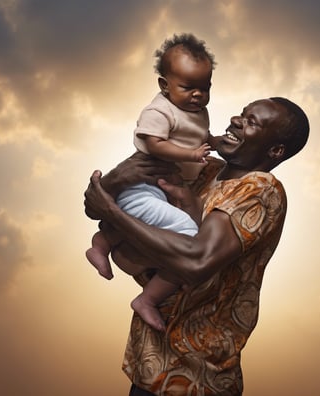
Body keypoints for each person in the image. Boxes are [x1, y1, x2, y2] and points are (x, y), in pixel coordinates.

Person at [84, 96, 310, 395]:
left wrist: (113, 213)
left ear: (275, 150)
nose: (236, 120)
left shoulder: (260, 190)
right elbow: (96, 205)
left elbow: (195, 263)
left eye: (251, 122)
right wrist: (113, 181)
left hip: (199, 376)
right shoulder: (203, 170)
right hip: (151, 365)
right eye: (242, 113)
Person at [85, 33, 221, 332]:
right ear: (164, 85)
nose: (198, 95)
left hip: (157, 188)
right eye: (188, 87)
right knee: (188, 234)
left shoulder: (194, 110)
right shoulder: (159, 110)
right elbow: (155, 144)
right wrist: (190, 154)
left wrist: (213, 141)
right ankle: (146, 299)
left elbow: (199, 134)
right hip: (142, 186)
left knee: (151, 226)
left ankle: (102, 243)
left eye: (204, 88)